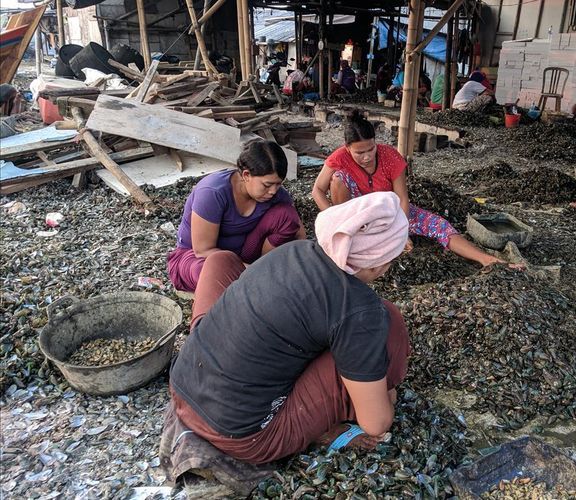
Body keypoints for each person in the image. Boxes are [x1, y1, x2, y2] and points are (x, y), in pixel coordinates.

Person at [166, 192, 412, 463]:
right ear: (381, 263)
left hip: (183, 384)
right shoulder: (360, 310)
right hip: (246, 436)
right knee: (389, 322)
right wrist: (386, 397)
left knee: (220, 261)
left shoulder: (294, 250)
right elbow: (375, 424)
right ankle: (330, 421)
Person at [312, 111, 519, 268]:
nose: (366, 157)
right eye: (359, 153)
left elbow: (402, 199)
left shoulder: (390, 157)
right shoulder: (339, 157)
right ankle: (348, 235)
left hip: (390, 212)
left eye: (370, 149)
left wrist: (400, 232)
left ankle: (487, 259)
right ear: (347, 148)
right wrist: (334, 217)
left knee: (440, 225)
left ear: (376, 143)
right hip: (357, 217)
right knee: (338, 179)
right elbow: (318, 191)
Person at [167, 141, 303, 292]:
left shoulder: (275, 194)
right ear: (246, 175)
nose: (273, 191)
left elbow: (298, 229)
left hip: (244, 254)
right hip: (197, 258)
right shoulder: (213, 192)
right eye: (267, 185)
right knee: (210, 274)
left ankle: (260, 272)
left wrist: (304, 264)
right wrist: (250, 270)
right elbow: (202, 250)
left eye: (278, 184)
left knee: (286, 216)